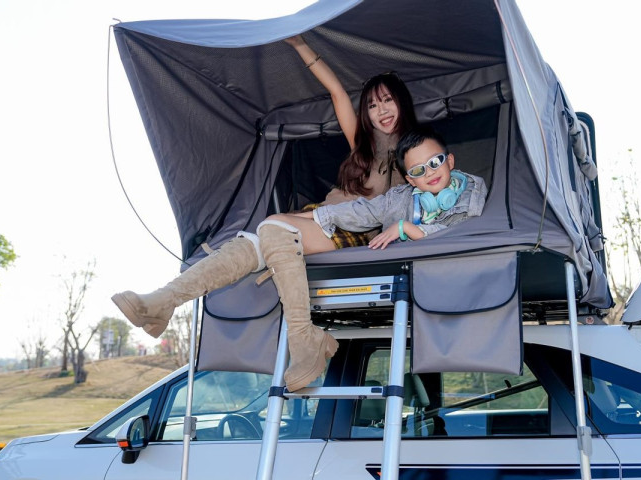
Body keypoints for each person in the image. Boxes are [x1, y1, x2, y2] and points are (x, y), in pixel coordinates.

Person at [112, 126, 487, 392]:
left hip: (417, 268)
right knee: (268, 232)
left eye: (436, 162)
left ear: (450, 160)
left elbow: (463, 232)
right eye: (419, 170)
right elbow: (359, 212)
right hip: (347, 230)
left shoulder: (470, 189)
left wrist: (407, 228)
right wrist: (308, 217)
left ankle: (165, 303)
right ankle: (166, 301)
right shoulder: (399, 197)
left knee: (269, 232)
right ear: (409, 178)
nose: (430, 172)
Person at [285, 35, 418, 246]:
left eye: (387, 100)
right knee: (269, 226)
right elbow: (337, 92)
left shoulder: (419, 148)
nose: (381, 111)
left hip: (356, 228)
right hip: (324, 213)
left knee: (278, 233)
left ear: (402, 101)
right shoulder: (364, 141)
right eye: (372, 105)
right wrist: (299, 44)